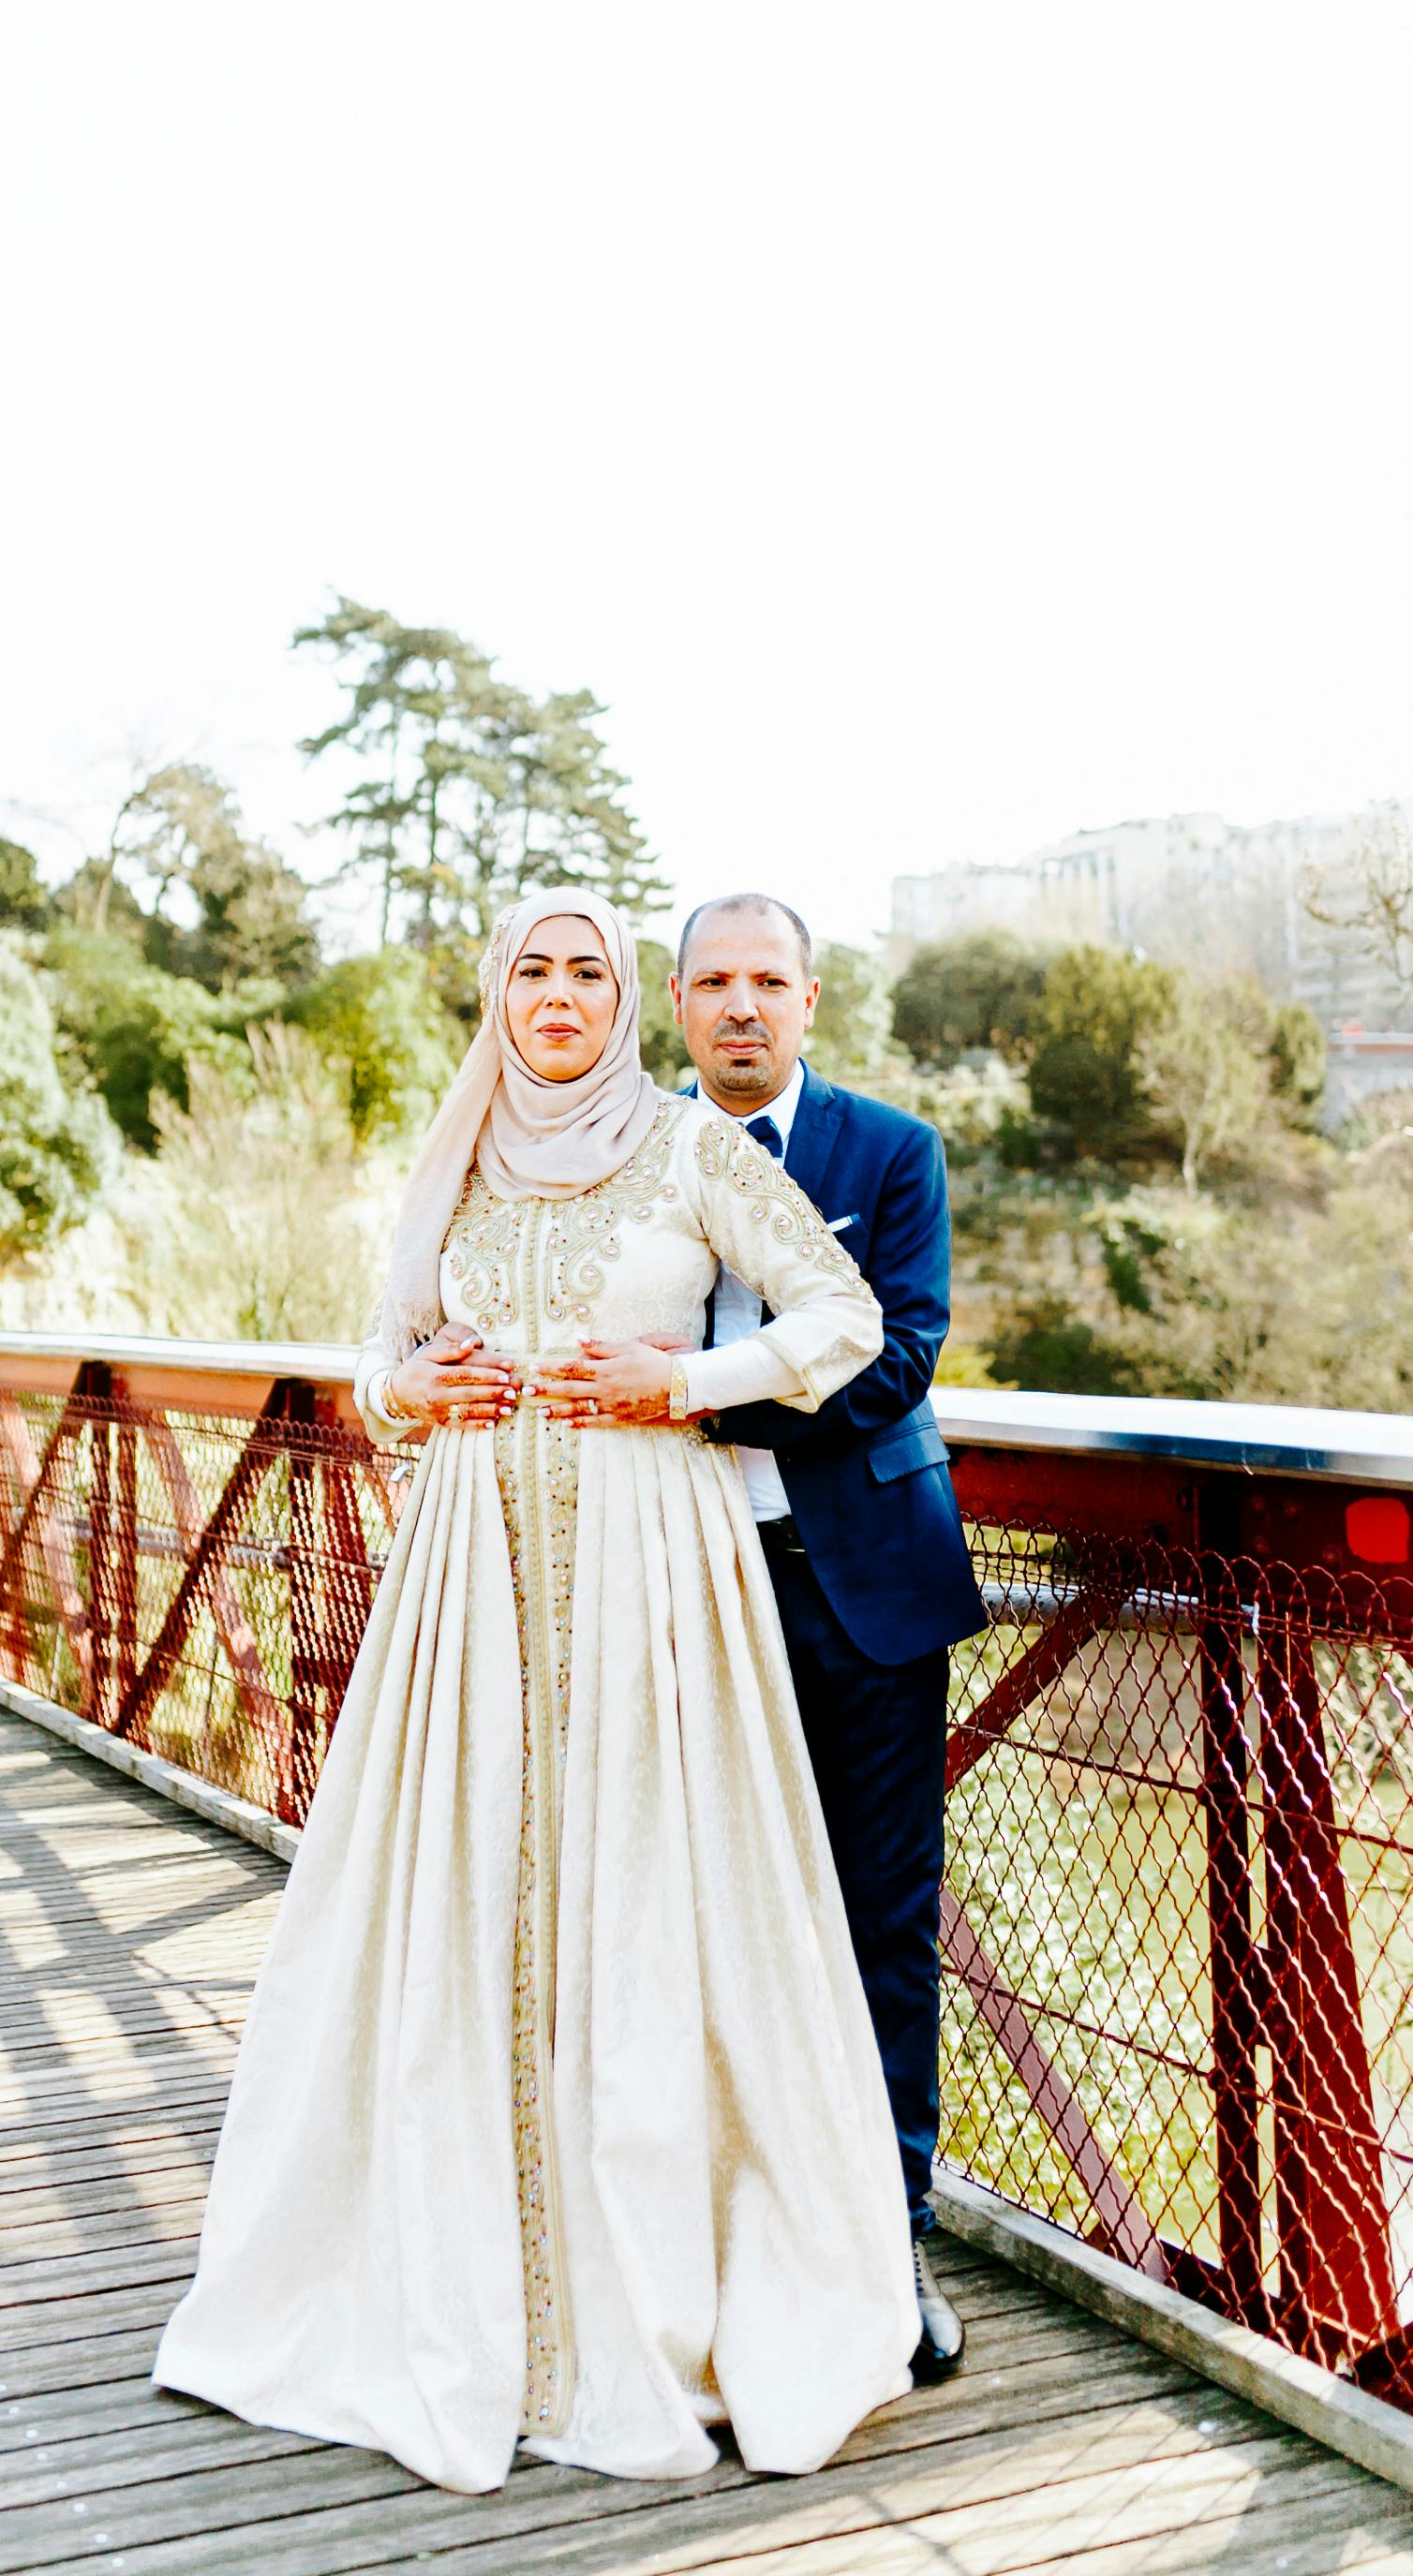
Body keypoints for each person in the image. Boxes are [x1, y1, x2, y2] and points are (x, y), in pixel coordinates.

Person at [155, 890, 920, 2495]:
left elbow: (844, 1318)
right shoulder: (457, 1153)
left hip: (653, 1571)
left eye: (588, 971)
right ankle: (460, 2269)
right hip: (470, 1579)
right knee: (471, 1900)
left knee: (649, 1897)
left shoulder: (695, 1149)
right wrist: (402, 1384)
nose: (559, 994)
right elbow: (383, 1361)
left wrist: (688, 1383)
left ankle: (668, 2283)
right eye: (533, 969)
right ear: (496, 991)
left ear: (622, 997)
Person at [567, 890, 986, 2377]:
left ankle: (890, 2248)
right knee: (691, 1908)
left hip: (859, 1581)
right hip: (677, 1580)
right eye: (716, 982)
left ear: (812, 1000)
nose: (743, 1006)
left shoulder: (893, 1152)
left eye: (771, 981)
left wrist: (684, 1388)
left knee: (877, 1917)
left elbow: (900, 1356)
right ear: (675, 1003)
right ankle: (716, 2240)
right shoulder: (627, 1156)